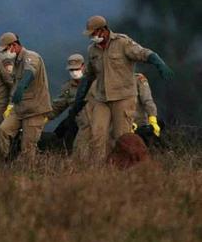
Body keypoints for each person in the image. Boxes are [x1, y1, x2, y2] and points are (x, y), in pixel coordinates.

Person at [74, 15, 173, 162]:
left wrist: (158, 63)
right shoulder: (93, 50)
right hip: (102, 98)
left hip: (123, 97)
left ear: (103, 30)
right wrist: (78, 99)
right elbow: (89, 75)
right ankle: (97, 170)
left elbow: (143, 53)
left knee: (123, 138)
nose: (92, 37)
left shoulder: (122, 43)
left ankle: (124, 171)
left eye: (94, 33)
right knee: (97, 134)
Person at [0, 32, 52, 163]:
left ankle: (28, 175)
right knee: (2, 132)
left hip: (35, 110)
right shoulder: (15, 62)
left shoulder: (31, 56)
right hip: (19, 109)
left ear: (13, 45)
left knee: (28, 146)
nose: (3, 54)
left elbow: (29, 72)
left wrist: (22, 87)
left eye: (5, 50)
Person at [133, 73, 160, 137]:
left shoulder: (138, 78)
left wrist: (153, 118)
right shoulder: (111, 79)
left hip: (140, 125)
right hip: (121, 125)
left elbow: (147, 100)